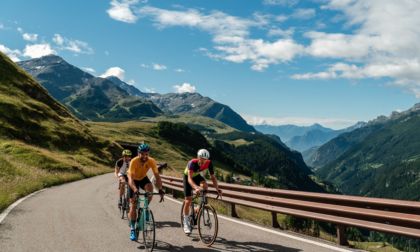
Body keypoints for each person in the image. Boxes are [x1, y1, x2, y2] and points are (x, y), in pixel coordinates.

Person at [127, 144, 164, 241]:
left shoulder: (151, 161)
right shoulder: (134, 161)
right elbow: (130, 179)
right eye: (142, 154)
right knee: (133, 204)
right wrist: (135, 190)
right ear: (138, 153)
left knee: (150, 189)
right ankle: (133, 229)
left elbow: (157, 176)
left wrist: (160, 189)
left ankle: (146, 208)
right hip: (133, 180)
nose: (145, 156)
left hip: (143, 178)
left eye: (146, 154)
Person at [182, 149, 222, 234]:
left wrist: (217, 189)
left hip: (197, 176)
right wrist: (196, 187)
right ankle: (185, 223)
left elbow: (213, 178)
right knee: (188, 200)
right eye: (202, 159)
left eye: (205, 160)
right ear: (198, 157)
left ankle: (199, 207)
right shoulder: (192, 163)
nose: (203, 162)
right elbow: (189, 179)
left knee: (205, 186)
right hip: (188, 177)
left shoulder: (209, 163)